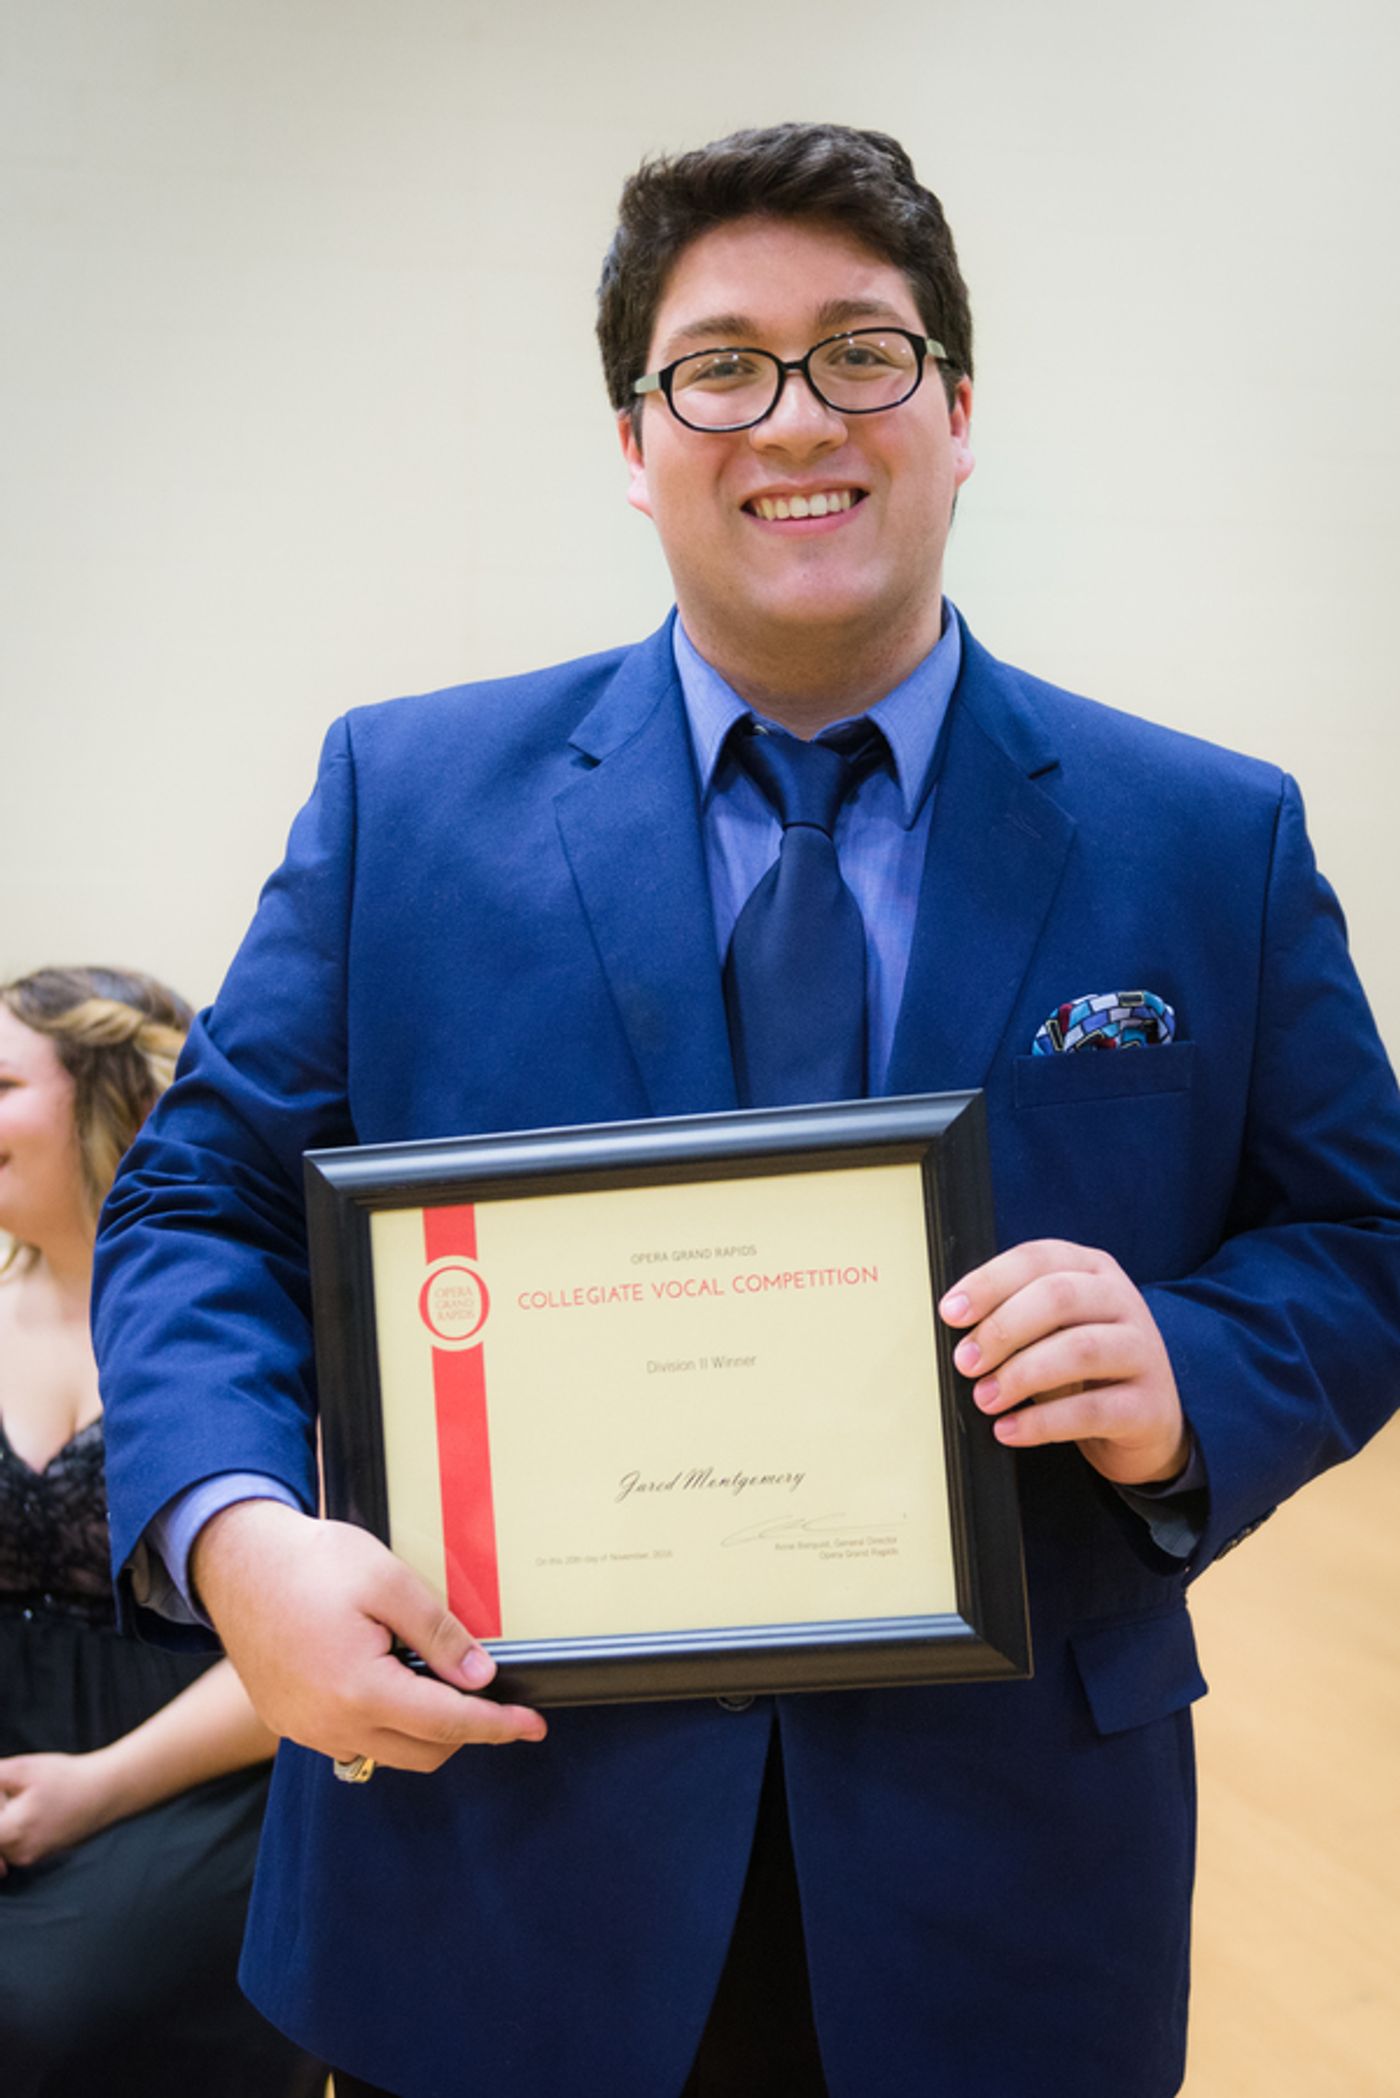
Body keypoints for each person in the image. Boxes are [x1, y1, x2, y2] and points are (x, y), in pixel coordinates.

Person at [91, 124, 1400, 2098]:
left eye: (861, 353)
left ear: (957, 413)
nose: (795, 417)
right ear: (636, 440)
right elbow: (200, 1204)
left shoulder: (1206, 835)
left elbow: (1360, 1237)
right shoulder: (407, 798)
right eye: (721, 366)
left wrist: (1197, 1357)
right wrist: (236, 1533)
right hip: (495, 1845)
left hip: (1006, 1878)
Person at [0, 967, 324, 2098]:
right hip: (13, 1751)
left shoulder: (239, 1341)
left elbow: (293, 1630)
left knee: (48, 2010)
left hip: (198, 1767)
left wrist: (93, 1786)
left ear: (108, 1099)